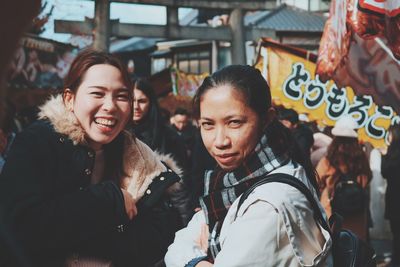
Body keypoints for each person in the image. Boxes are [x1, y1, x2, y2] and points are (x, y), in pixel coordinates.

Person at [0, 50, 182, 266]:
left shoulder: (139, 155)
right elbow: (20, 228)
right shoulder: (37, 142)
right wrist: (109, 199)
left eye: (122, 96)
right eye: (97, 93)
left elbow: (162, 233)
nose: (110, 106)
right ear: (69, 99)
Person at [165, 65, 333, 266]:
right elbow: (177, 246)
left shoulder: (270, 203)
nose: (220, 141)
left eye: (234, 122)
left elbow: (180, 252)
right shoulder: (234, 184)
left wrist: (194, 260)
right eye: (208, 124)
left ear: (266, 120)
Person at [131, 77, 193, 225]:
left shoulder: (168, 137)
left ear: (150, 103)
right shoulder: (116, 135)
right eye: (131, 100)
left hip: (159, 218)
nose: (136, 106)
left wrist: (186, 226)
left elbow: (180, 187)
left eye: (142, 101)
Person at [316, 115, 372, 241]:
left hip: (333, 212)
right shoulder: (361, 158)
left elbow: (317, 180)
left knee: (335, 250)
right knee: (355, 249)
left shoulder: (329, 158)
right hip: (357, 212)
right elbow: (368, 177)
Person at [381, 123, 400, 267]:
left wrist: (384, 155)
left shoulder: (393, 153)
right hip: (395, 197)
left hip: (395, 197)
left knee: (396, 231)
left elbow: (386, 172)